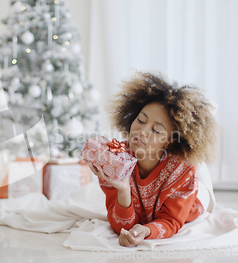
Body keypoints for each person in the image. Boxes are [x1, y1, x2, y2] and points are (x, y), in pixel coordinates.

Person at [84, 71, 219, 247]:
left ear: (170, 140)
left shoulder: (183, 170)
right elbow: (121, 226)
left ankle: (201, 126)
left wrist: (148, 231)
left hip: (196, 195)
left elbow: (171, 221)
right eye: (140, 120)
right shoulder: (115, 159)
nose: (142, 131)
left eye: (156, 130)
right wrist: (123, 189)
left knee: (195, 163)